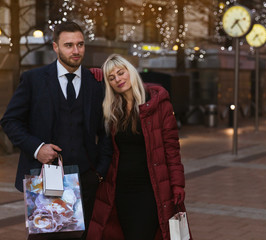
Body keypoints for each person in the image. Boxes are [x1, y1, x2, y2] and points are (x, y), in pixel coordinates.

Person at [0, 21, 112, 239]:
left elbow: (105, 130)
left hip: (85, 179)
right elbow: (10, 120)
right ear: (55, 47)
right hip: (45, 179)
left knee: (81, 236)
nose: (76, 51)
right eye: (68, 45)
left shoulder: (95, 83)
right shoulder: (34, 79)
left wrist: (100, 171)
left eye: (80, 44)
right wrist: (37, 148)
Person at [87, 54, 191, 240]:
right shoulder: (112, 109)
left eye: (121, 73)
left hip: (149, 189)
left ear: (130, 71)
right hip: (120, 190)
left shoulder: (157, 104)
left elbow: (172, 149)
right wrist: (90, 75)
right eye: (111, 78)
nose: (118, 79)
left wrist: (177, 184)